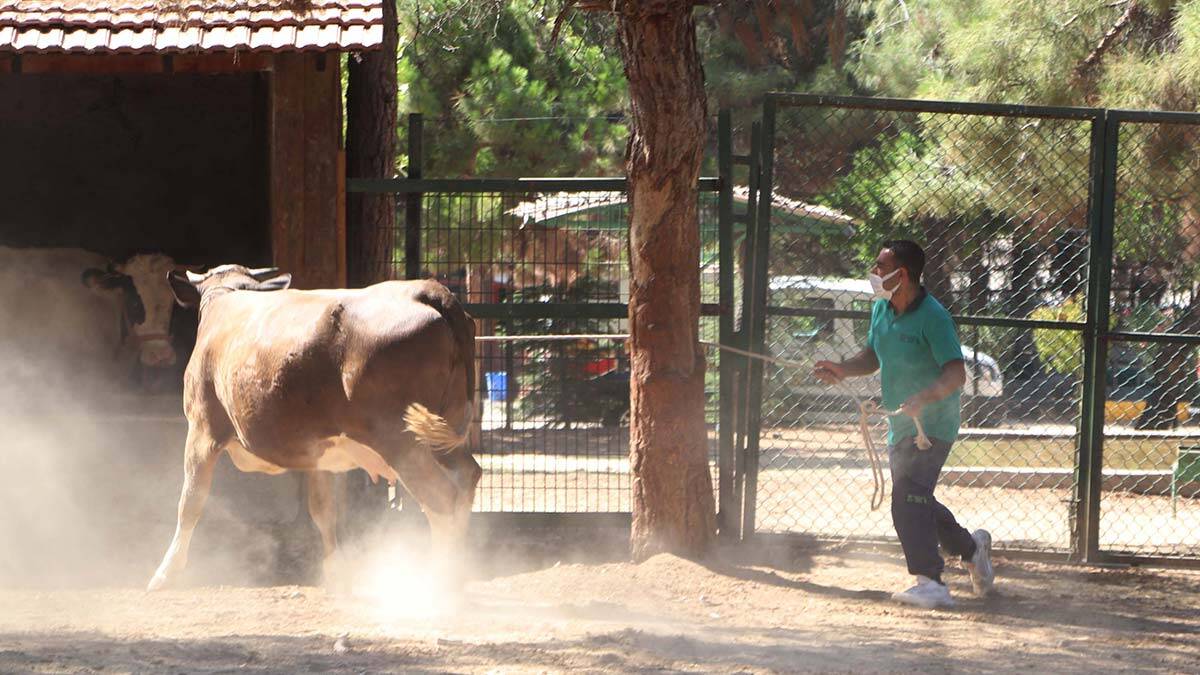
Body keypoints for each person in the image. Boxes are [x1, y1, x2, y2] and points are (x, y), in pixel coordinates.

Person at [813, 240, 994, 609]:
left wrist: (923, 399)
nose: (874, 273)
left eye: (880, 266)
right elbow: (872, 356)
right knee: (917, 499)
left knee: (906, 499)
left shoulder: (934, 316)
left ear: (903, 274)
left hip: (933, 427)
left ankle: (931, 581)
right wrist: (842, 369)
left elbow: (956, 374)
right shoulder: (882, 309)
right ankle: (972, 550)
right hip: (901, 425)